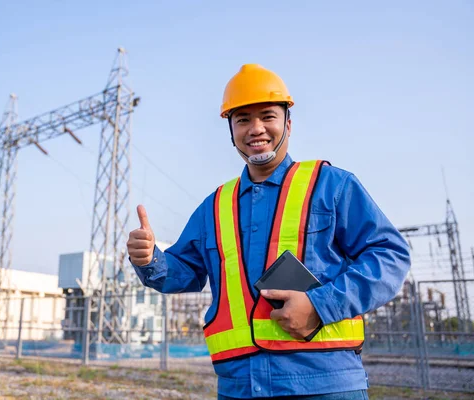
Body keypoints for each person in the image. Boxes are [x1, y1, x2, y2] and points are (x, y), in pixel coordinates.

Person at [127, 64, 411, 399]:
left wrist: (321, 305)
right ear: (230, 130)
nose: (256, 128)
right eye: (243, 119)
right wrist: (149, 259)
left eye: (267, 116)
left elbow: (390, 256)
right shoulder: (216, 206)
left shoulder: (331, 186)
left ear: (288, 123)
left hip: (324, 384)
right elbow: (182, 272)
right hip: (240, 386)